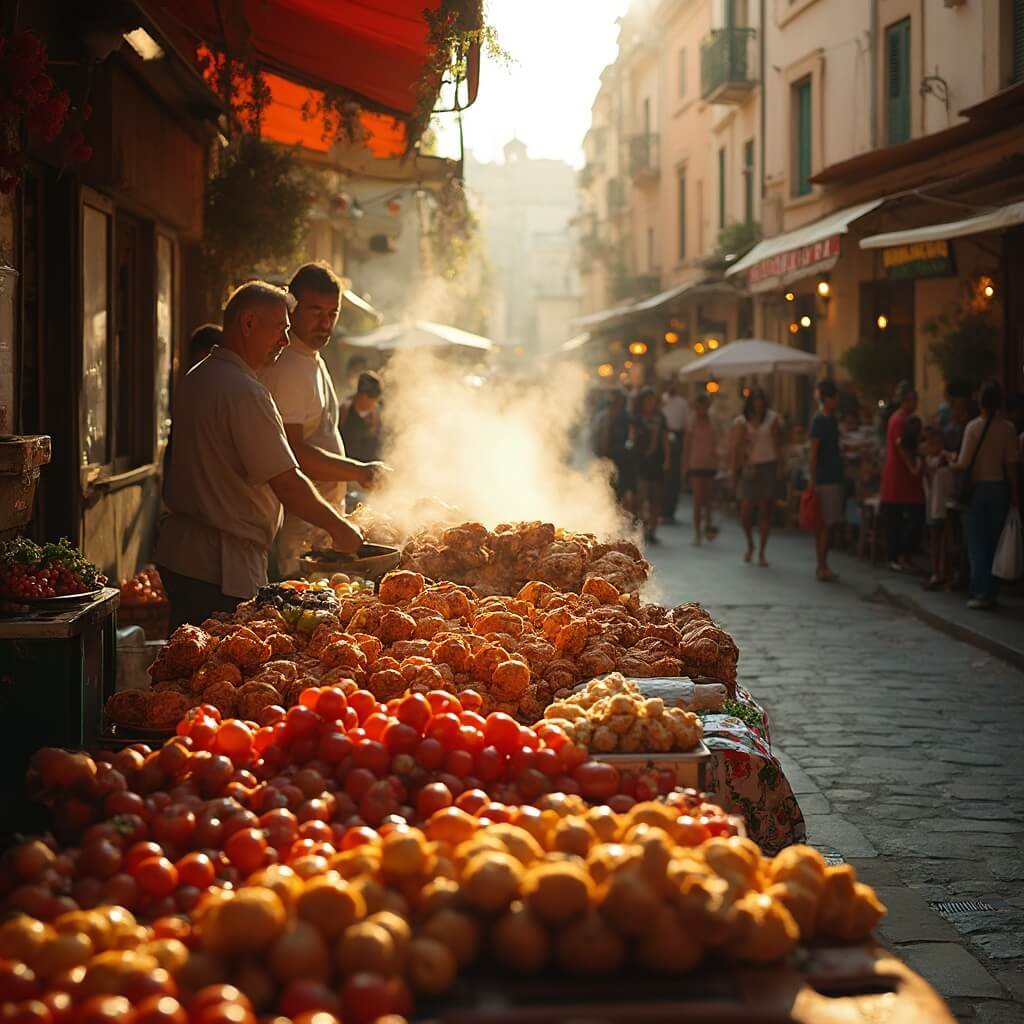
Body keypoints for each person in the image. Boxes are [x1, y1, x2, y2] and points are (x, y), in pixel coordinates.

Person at [154, 280, 363, 630]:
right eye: (281, 330)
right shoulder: (245, 391)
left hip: (184, 557)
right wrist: (339, 528)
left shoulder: (198, 376)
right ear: (248, 323)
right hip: (220, 565)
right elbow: (287, 482)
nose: (285, 341)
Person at [261, 263, 387, 578]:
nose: (325, 323)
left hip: (323, 527)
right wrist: (361, 472)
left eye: (332, 314)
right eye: (315, 312)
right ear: (293, 309)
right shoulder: (289, 367)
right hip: (299, 530)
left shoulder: (312, 360)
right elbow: (293, 454)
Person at [948, 380, 1020, 610]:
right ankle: (992, 591)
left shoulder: (973, 428)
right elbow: (1011, 466)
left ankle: (980, 592)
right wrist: (1016, 496)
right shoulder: (1008, 429)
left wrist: (950, 461)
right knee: (995, 541)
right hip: (999, 488)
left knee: (978, 543)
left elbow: (963, 463)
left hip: (977, 490)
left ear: (980, 402)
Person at [731, 386, 782, 566]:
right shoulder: (741, 422)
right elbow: (736, 448)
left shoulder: (772, 419)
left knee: (765, 511)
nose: (758, 404)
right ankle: (750, 543)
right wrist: (734, 469)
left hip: (767, 465)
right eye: (755, 400)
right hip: (749, 468)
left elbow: (777, 443)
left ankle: (762, 551)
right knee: (745, 512)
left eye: (761, 400)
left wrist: (779, 467)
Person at [880, 381, 925, 572]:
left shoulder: (908, 419)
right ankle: (894, 556)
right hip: (899, 475)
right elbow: (901, 447)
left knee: (916, 513)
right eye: (914, 400)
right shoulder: (898, 420)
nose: (916, 403)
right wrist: (912, 467)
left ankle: (904, 554)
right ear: (907, 400)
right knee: (896, 518)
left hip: (906, 476)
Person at [807, 378, 844, 582]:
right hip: (825, 477)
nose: (836, 401)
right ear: (827, 398)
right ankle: (822, 565)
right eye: (833, 397)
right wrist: (813, 480)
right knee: (825, 524)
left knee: (826, 524)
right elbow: (814, 452)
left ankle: (822, 564)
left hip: (832, 475)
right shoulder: (820, 420)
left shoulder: (831, 419)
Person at [629, 387, 669, 544]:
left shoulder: (660, 418)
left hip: (656, 461)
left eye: (652, 401)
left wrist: (667, 460)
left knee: (655, 498)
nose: (650, 404)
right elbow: (631, 436)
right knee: (641, 496)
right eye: (647, 401)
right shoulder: (637, 418)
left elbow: (665, 440)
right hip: (640, 460)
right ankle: (642, 529)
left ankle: (652, 529)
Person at [922, 425, 954, 590]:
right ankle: (935, 571)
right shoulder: (927, 460)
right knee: (935, 539)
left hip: (943, 504)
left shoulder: (945, 458)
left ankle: (944, 572)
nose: (934, 446)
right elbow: (928, 477)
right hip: (931, 505)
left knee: (944, 540)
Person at [682, 393, 717, 545]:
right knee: (697, 500)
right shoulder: (692, 422)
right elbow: (687, 444)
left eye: (705, 405)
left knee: (708, 499)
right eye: (700, 405)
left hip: (710, 463)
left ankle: (707, 526)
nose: (702, 408)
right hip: (695, 463)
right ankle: (697, 532)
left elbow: (717, 441)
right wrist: (684, 466)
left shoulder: (712, 421)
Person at [591, 389, 634, 510]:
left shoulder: (626, 417)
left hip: (623, 458)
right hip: (606, 456)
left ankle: (619, 513)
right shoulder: (602, 417)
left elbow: (631, 435)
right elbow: (597, 437)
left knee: (622, 488)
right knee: (606, 487)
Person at [339, 371, 384, 465]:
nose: (374, 402)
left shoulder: (379, 415)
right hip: (348, 469)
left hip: (371, 470)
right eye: (372, 397)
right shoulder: (344, 412)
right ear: (362, 395)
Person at [661, 382, 689, 523]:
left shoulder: (682, 403)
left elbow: (685, 425)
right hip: (663, 438)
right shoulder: (662, 400)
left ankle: (670, 511)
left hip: (676, 438)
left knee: (673, 478)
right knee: (663, 478)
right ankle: (662, 510)